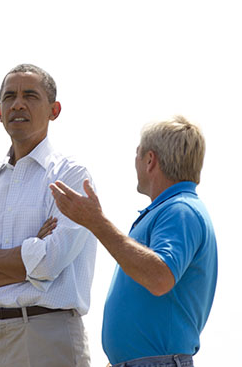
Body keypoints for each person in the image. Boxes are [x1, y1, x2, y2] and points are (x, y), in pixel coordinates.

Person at [0, 64, 97, 367]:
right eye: (10, 96)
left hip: (47, 335)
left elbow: (49, 262)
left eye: (30, 95)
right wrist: (27, 261)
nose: (18, 104)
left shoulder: (71, 177)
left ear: (54, 110)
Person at [50, 115, 217, 367]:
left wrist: (96, 222)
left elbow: (160, 277)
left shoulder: (180, 210)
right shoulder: (173, 210)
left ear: (150, 160)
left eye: (138, 154)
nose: (135, 161)